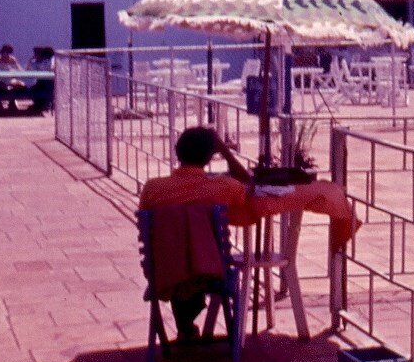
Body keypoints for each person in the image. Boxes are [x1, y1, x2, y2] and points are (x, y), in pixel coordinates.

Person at [139, 127, 360, 341]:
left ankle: (185, 326)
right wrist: (225, 150)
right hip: (206, 269)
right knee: (195, 250)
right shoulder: (222, 187)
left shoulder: (152, 188)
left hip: (164, 268)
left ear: (178, 151)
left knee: (180, 243)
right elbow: (247, 182)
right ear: (209, 157)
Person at [0, 44, 29, 111]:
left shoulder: (12, 59)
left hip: (10, 80)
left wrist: (15, 66)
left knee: (22, 85)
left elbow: (20, 70)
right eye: (4, 52)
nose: (6, 54)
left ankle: (12, 103)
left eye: (8, 52)